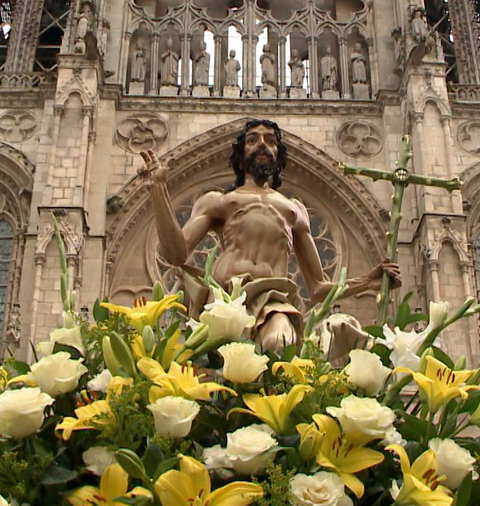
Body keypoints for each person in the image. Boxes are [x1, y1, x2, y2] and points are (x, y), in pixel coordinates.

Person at [139, 120, 399, 351]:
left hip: (273, 301)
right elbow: (176, 253)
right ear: (241, 159)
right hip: (225, 300)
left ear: (278, 156)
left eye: (271, 141)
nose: (262, 145)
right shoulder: (219, 201)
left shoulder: (294, 211)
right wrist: (158, 190)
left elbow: (318, 288)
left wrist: (367, 280)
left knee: (280, 343)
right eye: (253, 140)